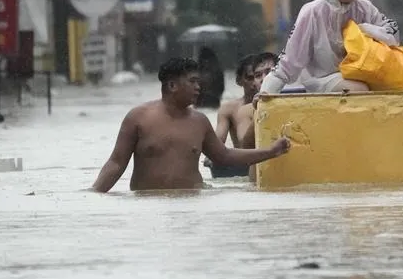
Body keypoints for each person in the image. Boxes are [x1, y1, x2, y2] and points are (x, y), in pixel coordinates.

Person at [90, 57, 291, 192]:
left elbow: (225, 155)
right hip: (148, 208)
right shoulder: (138, 118)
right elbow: (116, 163)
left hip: (192, 205)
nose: (198, 87)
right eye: (192, 81)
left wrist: (270, 151)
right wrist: (94, 194)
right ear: (172, 85)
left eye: (199, 81)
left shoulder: (199, 121)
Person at [259, 0, 400, 95]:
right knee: (359, 90)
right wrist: (266, 94)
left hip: (363, 73)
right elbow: (290, 60)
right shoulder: (312, 12)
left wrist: (366, 29)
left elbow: (392, 32)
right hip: (323, 79)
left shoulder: (365, 8)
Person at [209, 52, 277, 178]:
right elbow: (219, 143)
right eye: (253, 77)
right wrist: (212, 156)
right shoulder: (234, 110)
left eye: (269, 73)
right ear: (239, 81)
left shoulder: (292, 101)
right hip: (244, 165)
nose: (263, 79)